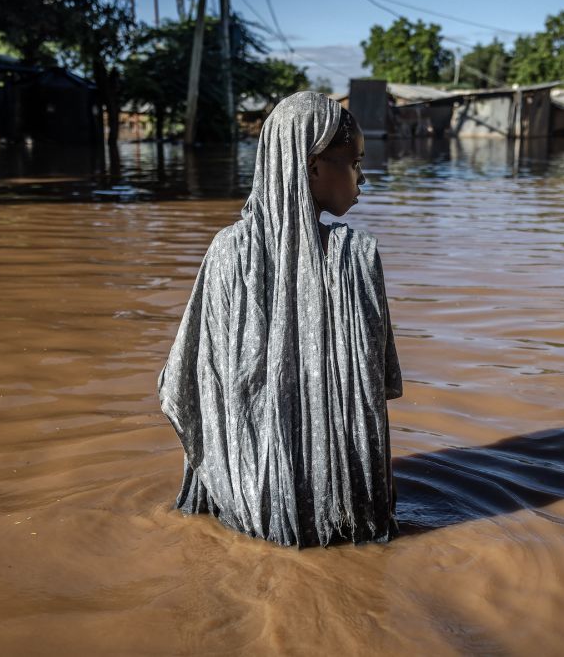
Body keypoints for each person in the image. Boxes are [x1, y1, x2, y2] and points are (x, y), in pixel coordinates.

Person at [157, 91, 402, 548]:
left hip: (246, 502)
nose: (363, 177)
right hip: (346, 506)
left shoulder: (227, 253)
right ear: (312, 168)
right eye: (354, 163)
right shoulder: (355, 255)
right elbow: (372, 392)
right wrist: (382, 480)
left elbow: (191, 383)